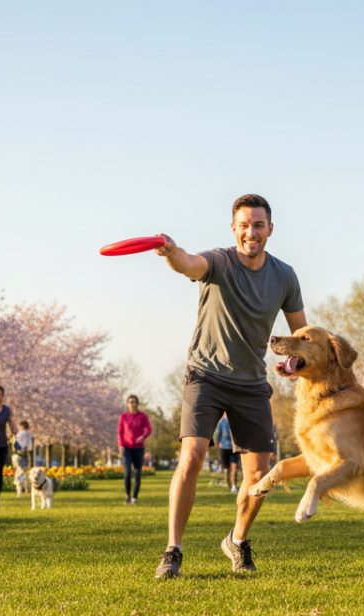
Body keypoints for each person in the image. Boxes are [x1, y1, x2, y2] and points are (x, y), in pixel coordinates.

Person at [152, 194, 306, 579]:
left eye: (258, 225)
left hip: (252, 383)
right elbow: (187, 262)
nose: (250, 232)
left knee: (260, 476)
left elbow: (300, 333)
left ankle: (237, 541)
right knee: (191, 457)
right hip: (205, 375)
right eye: (243, 225)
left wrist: (296, 364)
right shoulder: (218, 261)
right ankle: (173, 550)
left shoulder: (284, 276)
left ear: (270, 229)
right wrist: (170, 251)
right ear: (233, 228)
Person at [118, 394, 152, 505]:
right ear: (127, 404)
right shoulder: (123, 417)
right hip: (126, 448)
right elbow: (120, 433)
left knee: (137, 472)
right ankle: (127, 496)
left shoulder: (142, 416)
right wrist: (121, 446)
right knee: (127, 471)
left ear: (137, 404)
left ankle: (134, 497)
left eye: (134, 402)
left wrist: (143, 436)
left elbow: (148, 429)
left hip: (139, 448)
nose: (133, 404)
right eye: (130, 402)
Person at [214, 414, 240, 493]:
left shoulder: (221, 422)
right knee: (234, 466)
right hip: (234, 446)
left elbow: (218, 433)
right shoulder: (236, 420)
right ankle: (233, 485)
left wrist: (217, 442)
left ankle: (228, 481)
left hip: (224, 447)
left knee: (226, 467)